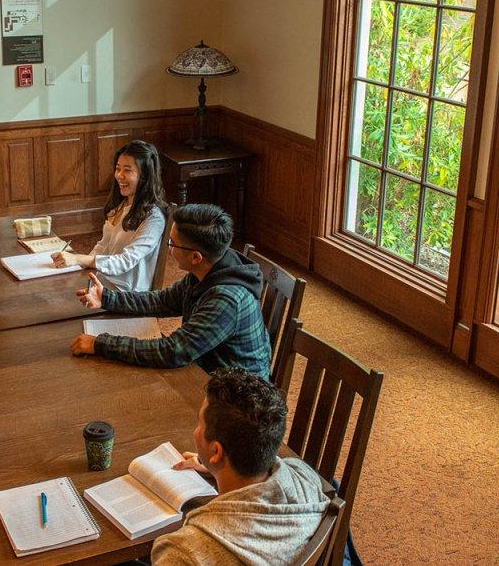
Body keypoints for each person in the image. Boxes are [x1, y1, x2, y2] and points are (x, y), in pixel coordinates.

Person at [151, 367, 332, 565]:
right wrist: (215, 468)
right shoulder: (306, 478)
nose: (196, 431)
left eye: (199, 424)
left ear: (217, 451)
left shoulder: (185, 552)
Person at [69, 203, 271, 378]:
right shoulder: (210, 268)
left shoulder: (226, 300)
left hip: (237, 402)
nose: (170, 248)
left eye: (172, 244)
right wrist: (107, 298)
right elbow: (163, 301)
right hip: (207, 373)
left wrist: (100, 344)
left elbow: (173, 351)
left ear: (196, 257)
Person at [51, 140, 168, 292]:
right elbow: (102, 246)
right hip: (104, 281)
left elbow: (126, 261)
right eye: (118, 169)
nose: (119, 175)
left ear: (144, 175)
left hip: (126, 293)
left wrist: (79, 258)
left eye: (127, 170)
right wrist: (80, 265)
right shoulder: (120, 206)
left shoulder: (154, 218)